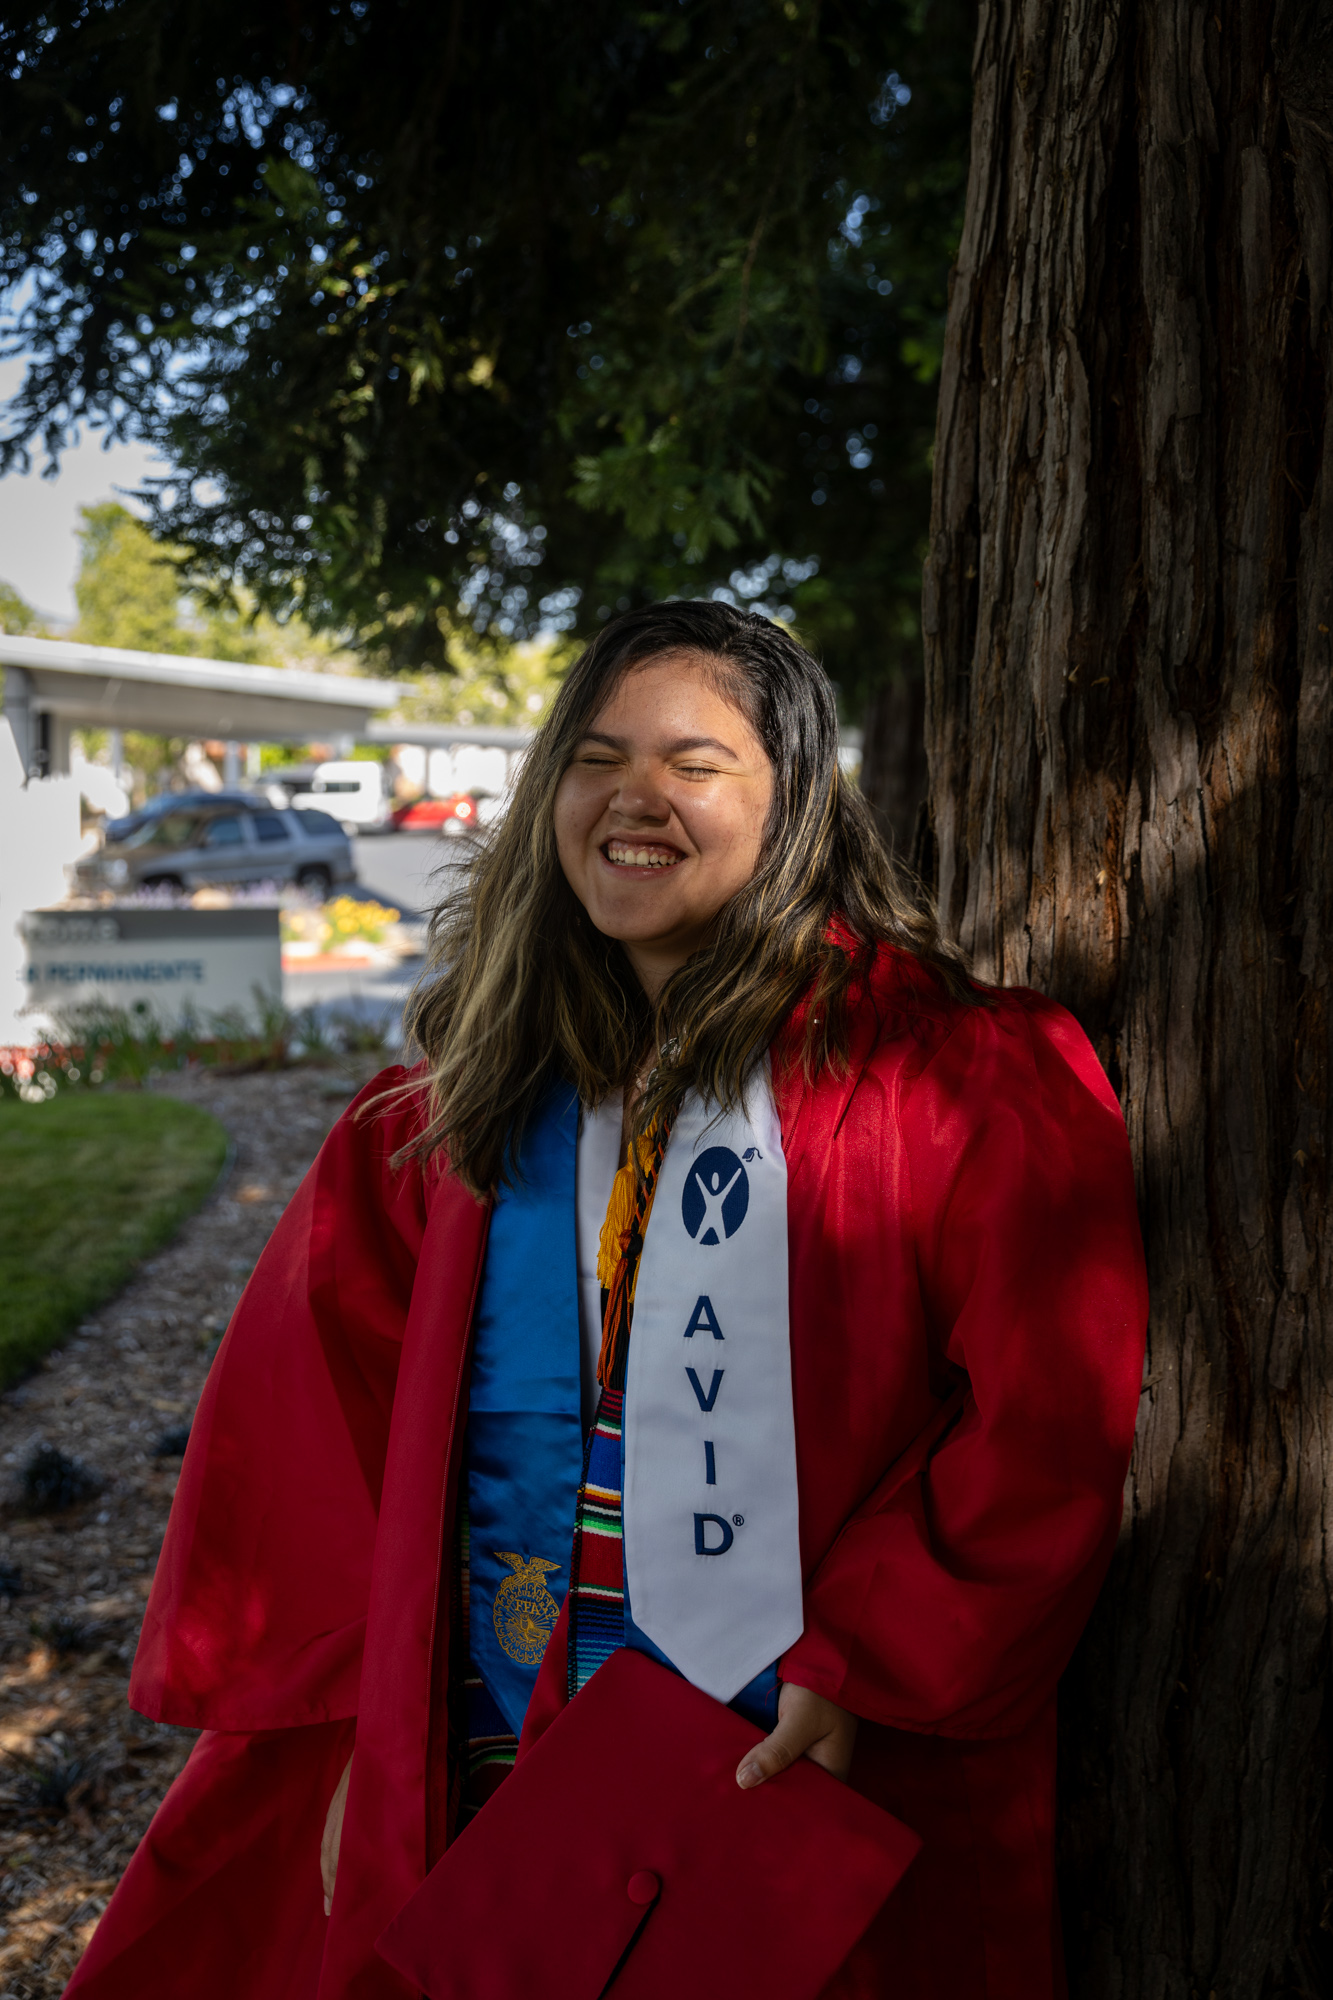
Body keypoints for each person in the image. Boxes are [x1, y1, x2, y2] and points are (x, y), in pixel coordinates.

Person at [65, 602, 1147, 2000]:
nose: (635, 797)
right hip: (481, 1730)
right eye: (593, 756)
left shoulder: (948, 1083)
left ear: (800, 803)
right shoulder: (440, 1125)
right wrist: (360, 1738)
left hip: (806, 1738)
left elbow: (1044, 1412)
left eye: (695, 764)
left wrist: (873, 1654)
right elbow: (307, 1447)